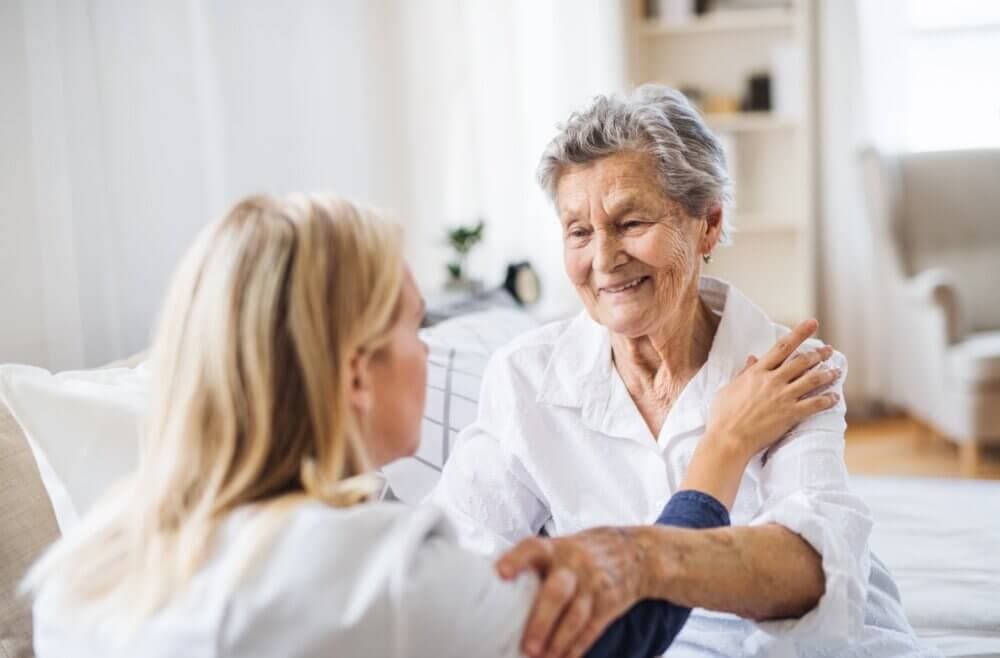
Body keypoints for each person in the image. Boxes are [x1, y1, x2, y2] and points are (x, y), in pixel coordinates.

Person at [24, 193, 839, 658]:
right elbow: (619, 638)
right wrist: (724, 448)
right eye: (415, 328)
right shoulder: (385, 575)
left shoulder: (79, 573)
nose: (428, 351)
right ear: (353, 373)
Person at [430, 85, 937, 657]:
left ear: (708, 224)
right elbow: (456, 567)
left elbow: (811, 571)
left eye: (630, 222)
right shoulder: (525, 379)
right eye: (578, 231)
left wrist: (638, 559)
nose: (602, 259)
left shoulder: (787, 370)